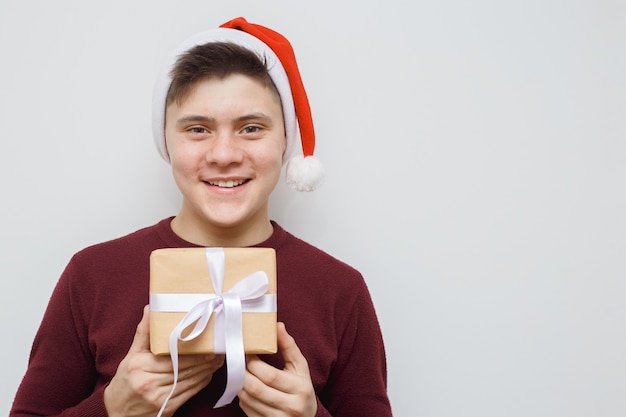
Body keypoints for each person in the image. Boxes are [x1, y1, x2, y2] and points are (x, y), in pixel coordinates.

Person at [10, 17, 393, 417]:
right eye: (197, 129)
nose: (224, 154)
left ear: (286, 142)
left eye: (250, 128)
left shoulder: (340, 290)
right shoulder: (92, 274)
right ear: (167, 143)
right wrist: (112, 408)